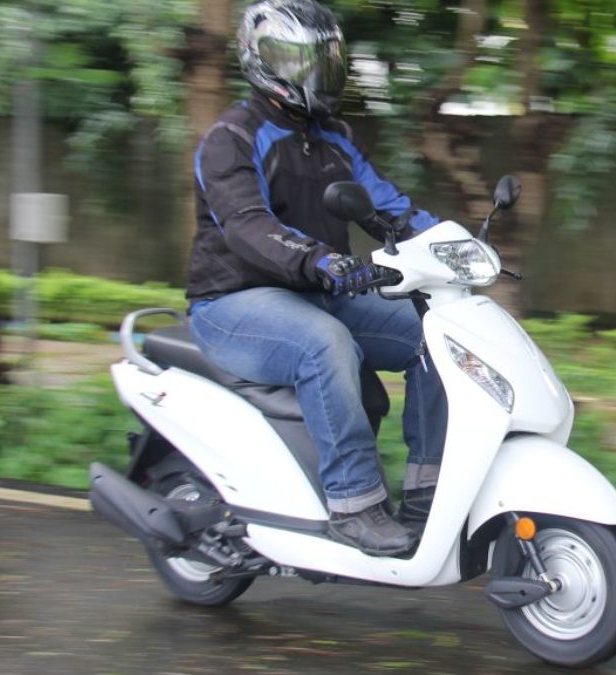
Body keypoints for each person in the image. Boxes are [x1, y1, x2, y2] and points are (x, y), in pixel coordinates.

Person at [186, 0, 446, 557]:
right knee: (324, 343)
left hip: (319, 292)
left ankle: (428, 492)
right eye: (296, 59)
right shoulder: (231, 138)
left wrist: (455, 243)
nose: (315, 73)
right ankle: (354, 505)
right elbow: (247, 227)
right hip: (233, 302)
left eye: (323, 60)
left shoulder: (335, 138)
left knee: (439, 333)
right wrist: (321, 261)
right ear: (259, 60)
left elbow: (389, 207)